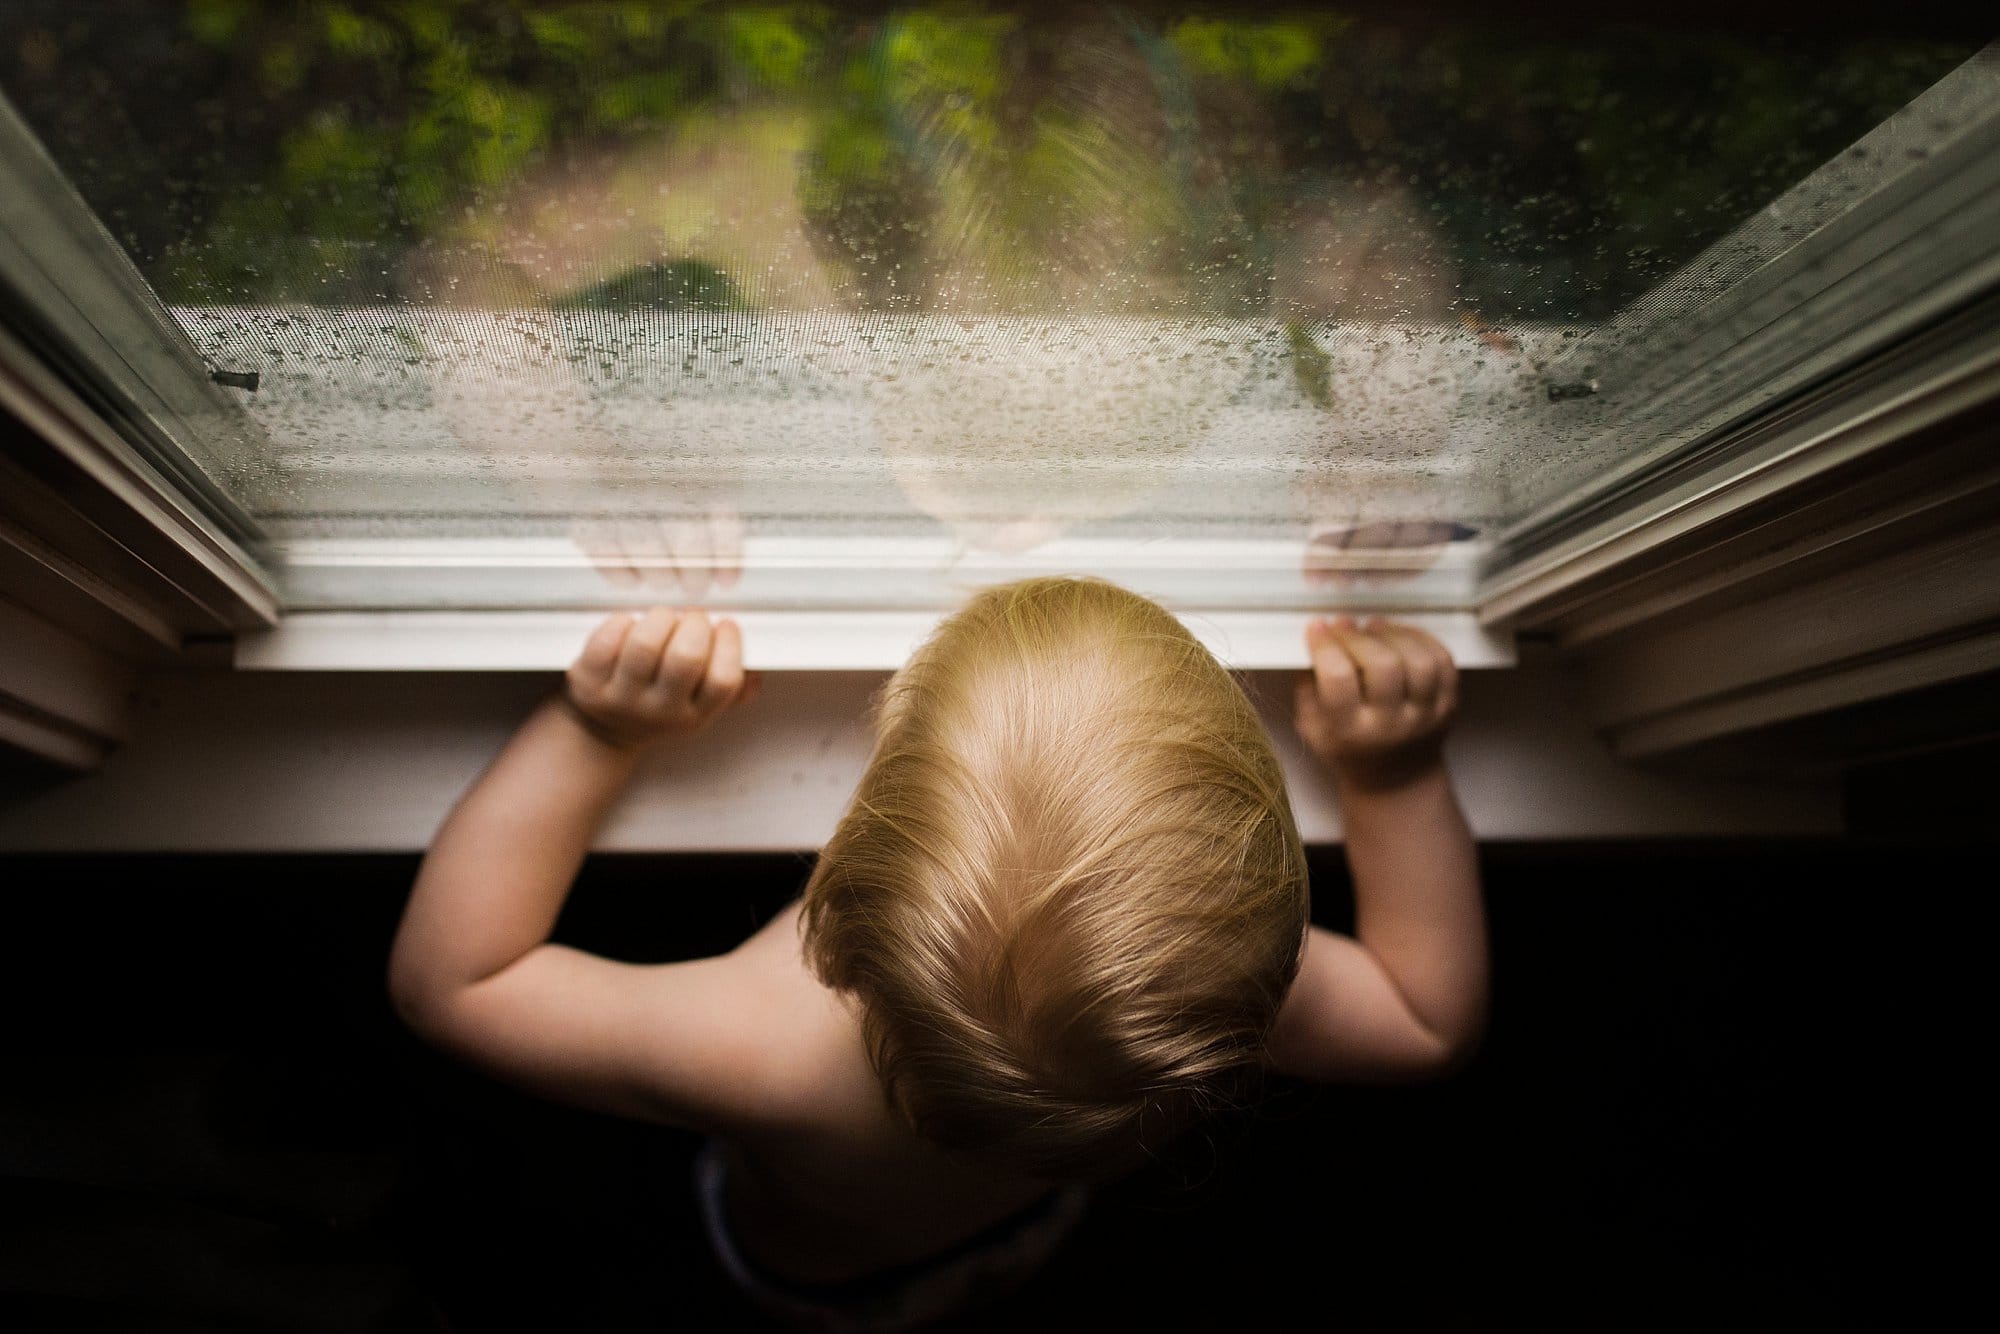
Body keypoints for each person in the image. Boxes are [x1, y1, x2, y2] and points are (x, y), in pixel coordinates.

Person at [387, 575, 1486, 1331]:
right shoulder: (1219, 998)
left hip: (817, 1276)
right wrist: (1392, 779)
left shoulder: (760, 1042)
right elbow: (1425, 1017)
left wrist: (597, 731)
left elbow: (455, 981)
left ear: (848, 867)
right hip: (1029, 1221)